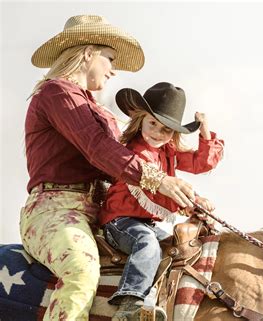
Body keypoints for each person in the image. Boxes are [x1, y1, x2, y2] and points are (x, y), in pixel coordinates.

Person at [20, 15, 197, 321]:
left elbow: (120, 160)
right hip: (55, 211)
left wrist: (183, 196)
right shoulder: (57, 93)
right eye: (110, 58)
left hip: (98, 214)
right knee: (81, 272)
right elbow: (99, 149)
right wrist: (158, 180)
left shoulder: (97, 110)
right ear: (88, 52)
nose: (114, 69)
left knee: (163, 258)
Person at [98, 82, 224, 320]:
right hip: (121, 221)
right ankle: (130, 302)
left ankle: (155, 300)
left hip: (147, 223)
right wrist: (192, 201)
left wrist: (205, 134)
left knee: (174, 251)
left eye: (166, 129)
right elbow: (156, 191)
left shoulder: (168, 151)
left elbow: (200, 162)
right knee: (147, 244)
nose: (157, 133)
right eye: (152, 123)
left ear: (173, 134)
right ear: (140, 120)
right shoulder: (136, 153)